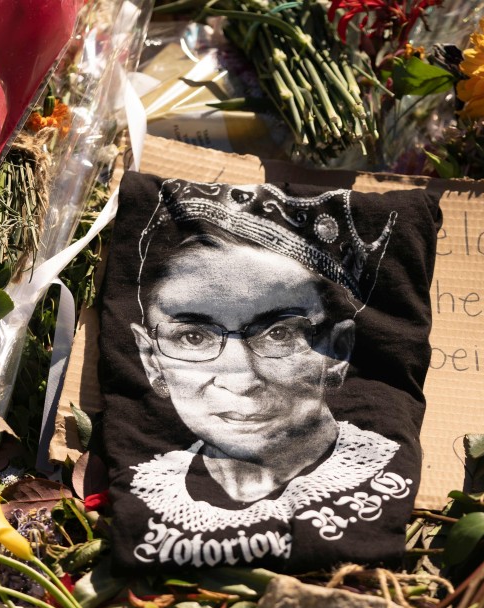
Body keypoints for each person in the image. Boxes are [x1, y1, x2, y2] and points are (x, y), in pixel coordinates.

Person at [106, 178, 419, 570]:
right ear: (152, 360)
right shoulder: (151, 488)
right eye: (192, 336)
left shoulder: (376, 470)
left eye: (279, 333)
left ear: (337, 352)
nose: (241, 380)